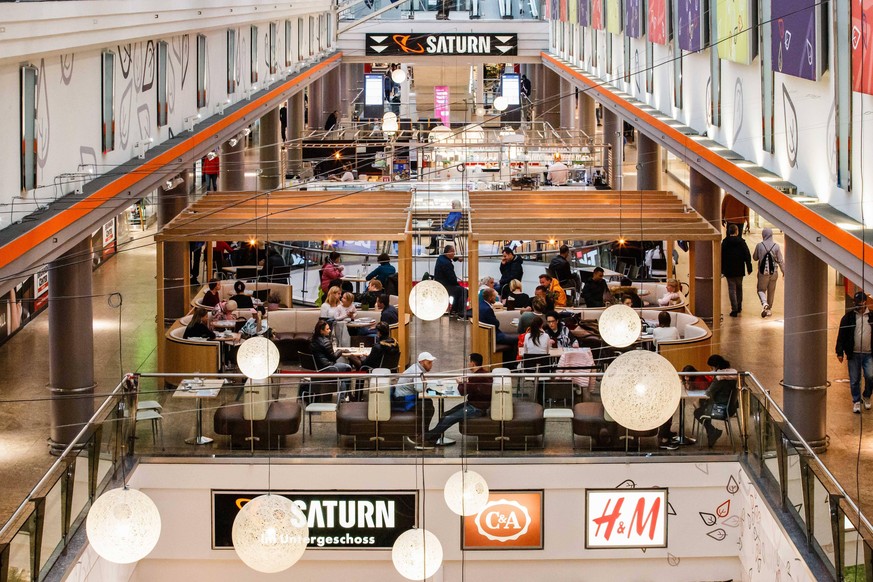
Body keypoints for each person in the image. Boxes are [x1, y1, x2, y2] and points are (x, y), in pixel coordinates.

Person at [413, 353, 492, 447]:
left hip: (477, 408)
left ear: (473, 363)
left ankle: (426, 437)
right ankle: (432, 440)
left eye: (468, 361)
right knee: (446, 414)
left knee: (448, 418)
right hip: (472, 404)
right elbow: (472, 388)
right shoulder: (481, 374)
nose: (468, 364)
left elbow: (462, 392)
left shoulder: (478, 377)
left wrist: (460, 383)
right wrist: (465, 383)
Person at [835, 291, 873, 413]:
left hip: (869, 354)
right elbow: (841, 335)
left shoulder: (871, 317)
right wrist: (839, 352)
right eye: (856, 303)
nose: (858, 305)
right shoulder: (848, 318)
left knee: (870, 376)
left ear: (865, 302)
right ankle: (856, 400)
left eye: (860, 302)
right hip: (854, 354)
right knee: (854, 379)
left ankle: (866, 396)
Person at [694, 355, 738, 448]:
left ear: (716, 366)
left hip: (720, 409)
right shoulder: (731, 375)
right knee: (702, 406)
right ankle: (711, 432)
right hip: (730, 408)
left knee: (698, 412)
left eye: (711, 367)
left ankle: (712, 431)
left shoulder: (720, 378)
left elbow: (709, 392)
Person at [310, 320, 356, 400]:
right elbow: (333, 357)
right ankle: (343, 396)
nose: (330, 330)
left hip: (317, 367)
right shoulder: (326, 341)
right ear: (321, 331)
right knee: (347, 368)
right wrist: (341, 351)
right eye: (327, 329)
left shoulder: (312, 340)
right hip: (328, 368)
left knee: (342, 373)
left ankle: (345, 394)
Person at [393, 352, 436, 430]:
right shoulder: (417, 372)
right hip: (403, 400)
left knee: (428, 402)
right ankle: (422, 433)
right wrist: (425, 382)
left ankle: (424, 431)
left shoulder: (415, 367)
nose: (431, 365)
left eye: (431, 362)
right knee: (428, 407)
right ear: (422, 362)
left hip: (404, 397)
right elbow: (420, 389)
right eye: (429, 362)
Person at [721, 224, 753, 317]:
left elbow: (721, 256)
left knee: (732, 289)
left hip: (729, 269)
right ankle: (739, 306)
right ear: (737, 231)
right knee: (739, 287)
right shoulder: (741, 242)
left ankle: (734, 309)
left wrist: (722, 269)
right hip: (739, 268)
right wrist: (749, 267)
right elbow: (747, 254)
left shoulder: (725, 242)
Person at [753, 228, 785, 318]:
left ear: (763, 235)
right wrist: (784, 271)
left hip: (763, 272)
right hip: (774, 272)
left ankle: (764, 303)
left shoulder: (759, 245)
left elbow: (755, 257)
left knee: (761, 290)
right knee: (771, 291)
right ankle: (769, 309)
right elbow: (780, 260)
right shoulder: (776, 246)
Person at [479, 288, 519, 358]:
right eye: (494, 296)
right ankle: (513, 362)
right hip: (494, 336)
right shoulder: (487, 309)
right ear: (490, 297)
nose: (496, 298)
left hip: (487, 333)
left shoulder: (481, 304)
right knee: (519, 338)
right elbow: (496, 324)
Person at [434, 245, 467, 318]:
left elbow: (449, 256)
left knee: (458, 290)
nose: (454, 253)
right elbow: (452, 279)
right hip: (445, 286)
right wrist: (457, 284)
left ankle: (454, 310)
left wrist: (457, 258)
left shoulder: (441, 257)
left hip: (440, 284)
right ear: (449, 252)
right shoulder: (447, 264)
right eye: (453, 251)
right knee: (464, 291)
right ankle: (460, 312)